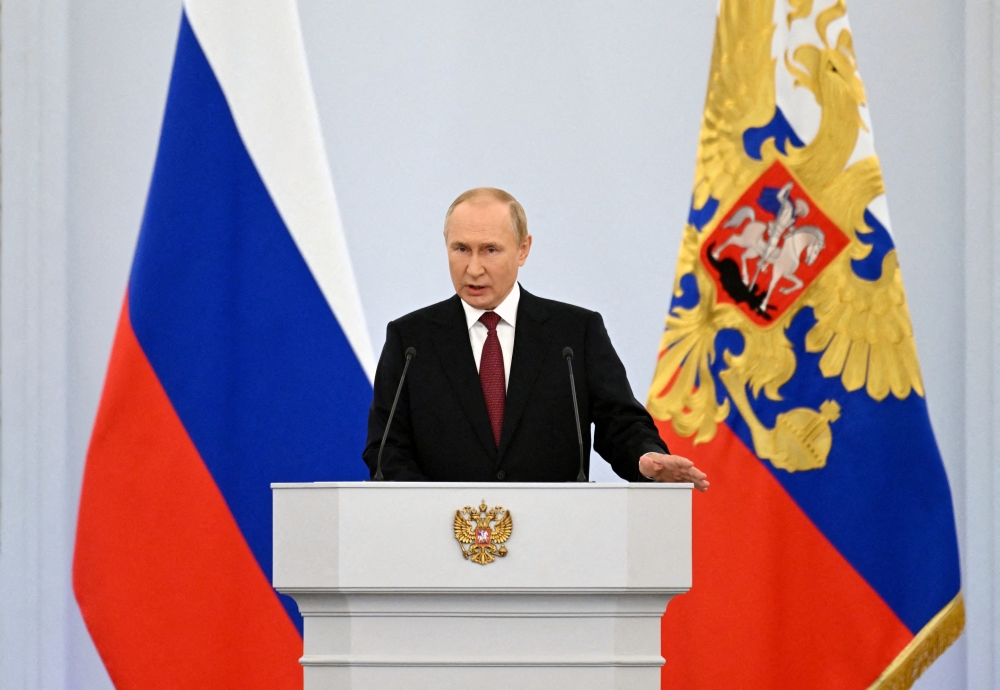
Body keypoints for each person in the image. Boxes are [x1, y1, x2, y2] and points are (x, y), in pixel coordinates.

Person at [362, 187, 709, 489]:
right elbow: (385, 449)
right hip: (445, 542)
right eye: (461, 249)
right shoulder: (411, 341)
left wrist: (645, 458)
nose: (473, 268)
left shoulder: (574, 334)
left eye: (490, 250)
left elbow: (620, 423)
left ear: (523, 249)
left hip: (554, 543)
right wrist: (437, 511)